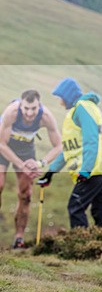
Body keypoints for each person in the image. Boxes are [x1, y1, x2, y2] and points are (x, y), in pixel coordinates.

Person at [37, 78, 102, 229]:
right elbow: (70, 149)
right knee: (100, 208)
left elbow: (91, 140)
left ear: (68, 96)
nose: (60, 102)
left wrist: (86, 170)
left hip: (94, 169)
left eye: (61, 97)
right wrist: (51, 172)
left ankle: (80, 241)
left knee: (75, 207)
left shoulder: (82, 109)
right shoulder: (86, 108)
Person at [0, 90, 62, 248]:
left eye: (33, 108)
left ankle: (19, 238)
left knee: (26, 194)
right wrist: (21, 165)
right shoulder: (11, 113)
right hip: (4, 148)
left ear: (39, 105)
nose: (29, 113)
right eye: (26, 108)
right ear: (20, 105)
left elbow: (59, 146)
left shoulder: (46, 117)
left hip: (26, 149)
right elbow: (2, 144)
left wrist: (40, 163)